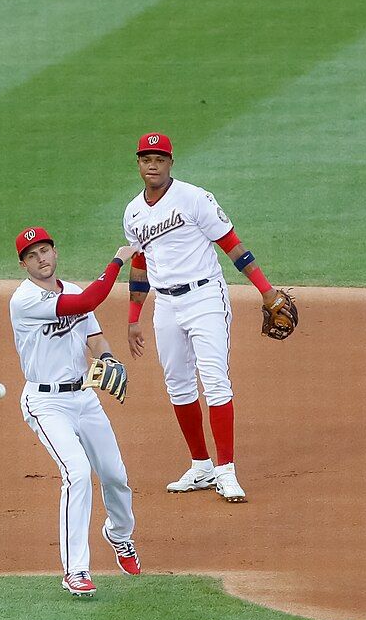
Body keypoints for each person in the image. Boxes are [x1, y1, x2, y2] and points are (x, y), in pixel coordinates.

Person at [123, 132, 288, 503]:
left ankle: (226, 471)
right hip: (165, 305)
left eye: (160, 158)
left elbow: (233, 244)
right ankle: (200, 466)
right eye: (146, 158)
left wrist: (265, 290)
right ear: (138, 163)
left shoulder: (195, 198)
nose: (153, 164)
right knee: (178, 385)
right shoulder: (133, 212)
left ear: (170, 163)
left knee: (215, 381)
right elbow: (139, 264)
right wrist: (134, 316)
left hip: (204, 297)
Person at [9, 226, 140, 597]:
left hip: (83, 397)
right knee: (78, 473)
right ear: (23, 264)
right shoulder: (24, 300)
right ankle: (75, 570)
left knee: (115, 474)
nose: (42, 259)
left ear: (55, 251)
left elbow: (93, 335)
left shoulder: (73, 289)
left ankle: (119, 535)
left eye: (45, 250)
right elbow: (86, 304)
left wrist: (109, 357)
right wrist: (117, 261)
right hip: (46, 403)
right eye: (32, 256)